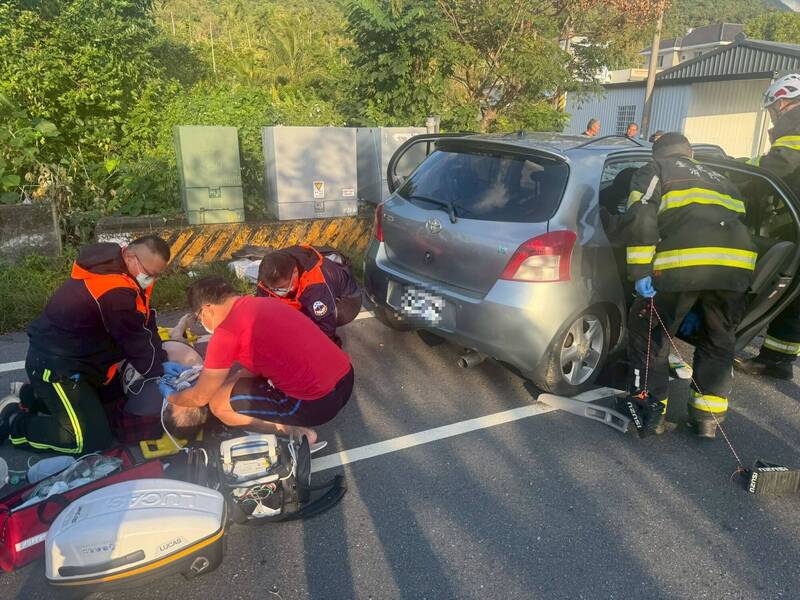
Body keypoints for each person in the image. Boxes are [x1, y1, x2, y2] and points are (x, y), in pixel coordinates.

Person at [618, 133, 756, 438]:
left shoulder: (655, 170)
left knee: (650, 333)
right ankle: (707, 419)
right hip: (735, 268)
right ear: (690, 152)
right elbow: (740, 217)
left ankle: (649, 412)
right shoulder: (720, 177)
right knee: (718, 338)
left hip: (683, 265)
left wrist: (640, 270)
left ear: (657, 154)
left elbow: (640, 216)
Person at [0, 236, 181, 453]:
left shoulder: (123, 272)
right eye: (149, 273)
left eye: (157, 274)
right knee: (89, 440)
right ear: (130, 255)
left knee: (113, 414)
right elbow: (134, 340)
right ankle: (15, 422)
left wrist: (159, 358)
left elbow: (144, 323)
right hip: (59, 367)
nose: (151, 279)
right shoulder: (113, 288)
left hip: (88, 363)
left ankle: (31, 396)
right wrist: (158, 374)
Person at [163, 277, 354, 445]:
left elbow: (199, 397)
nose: (201, 322)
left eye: (198, 318)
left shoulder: (226, 333)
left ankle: (296, 434)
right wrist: (228, 383)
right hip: (345, 380)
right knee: (231, 385)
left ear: (207, 310)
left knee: (218, 406)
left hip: (318, 404)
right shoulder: (265, 304)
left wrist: (171, 395)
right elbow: (252, 368)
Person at [734, 73, 800, 381]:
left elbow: (774, 168)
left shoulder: (795, 127)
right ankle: (778, 359)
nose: (773, 115)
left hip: (790, 225)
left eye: (774, 108)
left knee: (785, 288)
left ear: (785, 101)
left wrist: (736, 169)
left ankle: (775, 359)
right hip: (792, 220)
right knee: (794, 297)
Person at [256, 244, 362, 344]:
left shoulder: (316, 283)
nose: (277, 293)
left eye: (282, 289)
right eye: (273, 289)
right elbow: (262, 303)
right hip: (311, 294)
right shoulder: (268, 274)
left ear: (295, 273)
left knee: (305, 331)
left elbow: (326, 325)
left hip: (347, 300)